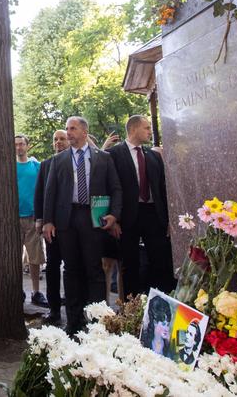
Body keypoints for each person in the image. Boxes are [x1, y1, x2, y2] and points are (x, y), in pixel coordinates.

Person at [42, 117, 122, 336]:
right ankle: (73, 322)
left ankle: (96, 322)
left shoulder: (103, 158)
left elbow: (115, 188)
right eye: (67, 129)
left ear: (84, 132)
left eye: (73, 128)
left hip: (93, 218)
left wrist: (114, 215)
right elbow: (50, 192)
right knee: (71, 270)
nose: (69, 133)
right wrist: (48, 221)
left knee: (94, 270)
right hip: (67, 220)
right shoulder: (59, 160)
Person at [107, 115, 174, 297]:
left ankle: (159, 302)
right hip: (127, 216)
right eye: (146, 128)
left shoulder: (153, 156)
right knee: (130, 264)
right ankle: (132, 307)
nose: (150, 131)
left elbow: (162, 188)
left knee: (159, 260)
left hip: (153, 215)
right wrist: (114, 219)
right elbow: (110, 188)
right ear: (134, 129)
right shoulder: (114, 154)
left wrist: (168, 219)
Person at [33, 129, 69, 325]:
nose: (58, 142)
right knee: (52, 267)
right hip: (51, 226)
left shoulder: (75, 162)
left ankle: (74, 309)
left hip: (71, 226)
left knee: (72, 269)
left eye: (62, 139)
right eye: (55, 139)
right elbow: (39, 194)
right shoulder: (46, 164)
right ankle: (54, 310)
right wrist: (40, 218)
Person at [15, 134, 48, 307]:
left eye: (22, 144)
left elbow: (42, 191)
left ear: (27, 146)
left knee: (35, 258)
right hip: (14, 219)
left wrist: (40, 217)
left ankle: (36, 291)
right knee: (15, 259)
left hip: (33, 218)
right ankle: (17, 291)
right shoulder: (9, 166)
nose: (19, 147)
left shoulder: (36, 166)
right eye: (16, 145)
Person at [140, 295, 173, 359]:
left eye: (168, 325)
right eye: (163, 324)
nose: (166, 329)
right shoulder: (144, 340)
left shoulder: (168, 346)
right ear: (155, 322)